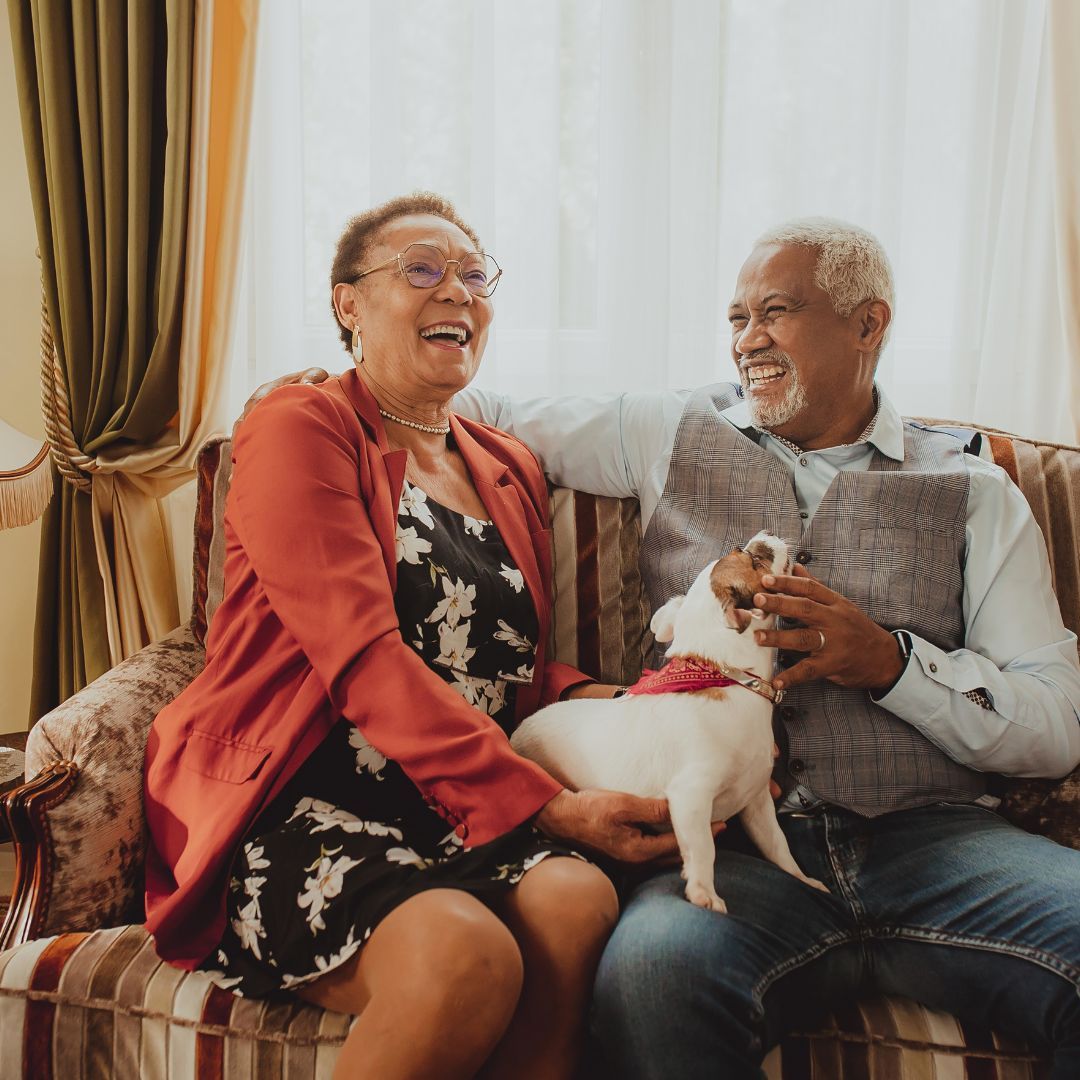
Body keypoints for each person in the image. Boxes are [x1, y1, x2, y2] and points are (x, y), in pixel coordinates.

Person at [268, 216, 1080, 1077]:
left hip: (938, 842)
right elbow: (466, 408)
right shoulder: (668, 430)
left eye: (776, 312)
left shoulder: (978, 490)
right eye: (736, 319)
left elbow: (1057, 721)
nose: (748, 341)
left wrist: (892, 664)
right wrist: (329, 394)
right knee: (651, 978)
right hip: (726, 841)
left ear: (868, 324)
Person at [143, 192, 688, 1080]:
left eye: (475, 275)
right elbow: (362, 657)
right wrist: (548, 803)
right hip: (297, 789)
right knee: (462, 952)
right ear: (348, 304)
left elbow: (503, 673)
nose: (458, 293)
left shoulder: (505, 463)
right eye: (422, 270)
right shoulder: (301, 427)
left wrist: (647, 705)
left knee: (576, 901)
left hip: (451, 798)